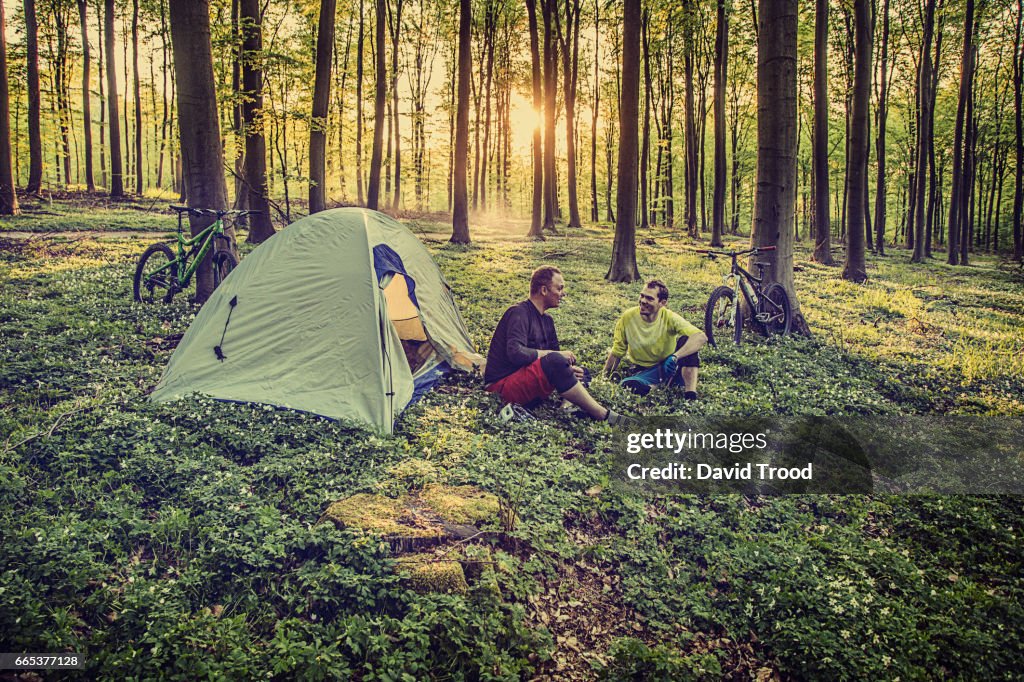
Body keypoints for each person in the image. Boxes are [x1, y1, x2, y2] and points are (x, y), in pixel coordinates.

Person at [485, 265, 629, 425]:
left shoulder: (548, 321)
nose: (563, 293)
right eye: (559, 288)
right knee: (555, 360)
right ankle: (603, 415)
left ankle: (566, 405)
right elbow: (516, 353)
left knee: (581, 372)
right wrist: (553, 358)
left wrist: (568, 369)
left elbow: (553, 363)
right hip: (502, 387)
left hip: (530, 383)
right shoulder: (518, 313)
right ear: (544, 290)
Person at [603, 279, 707, 400]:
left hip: (670, 367)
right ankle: (659, 386)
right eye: (642, 296)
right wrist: (604, 377)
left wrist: (675, 356)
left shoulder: (669, 317)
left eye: (649, 298)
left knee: (687, 340)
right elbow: (617, 351)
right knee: (628, 385)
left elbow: (701, 337)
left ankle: (690, 395)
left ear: (662, 303)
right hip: (645, 372)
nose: (643, 301)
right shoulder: (628, 317)